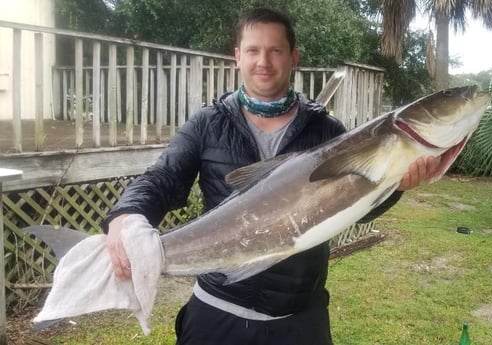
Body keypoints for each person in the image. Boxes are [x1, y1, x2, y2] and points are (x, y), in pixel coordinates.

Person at [103, 7, 440, 345]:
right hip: (215, 313)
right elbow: (163, 178)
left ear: (293, 57)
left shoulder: (327, 131)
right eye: (253, 50)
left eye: (275, 50)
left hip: (299, 320)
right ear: (238, 57)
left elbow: (356, 204)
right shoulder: (207, 124)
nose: (263, 61)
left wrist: (396, 185)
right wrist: (126, 214)